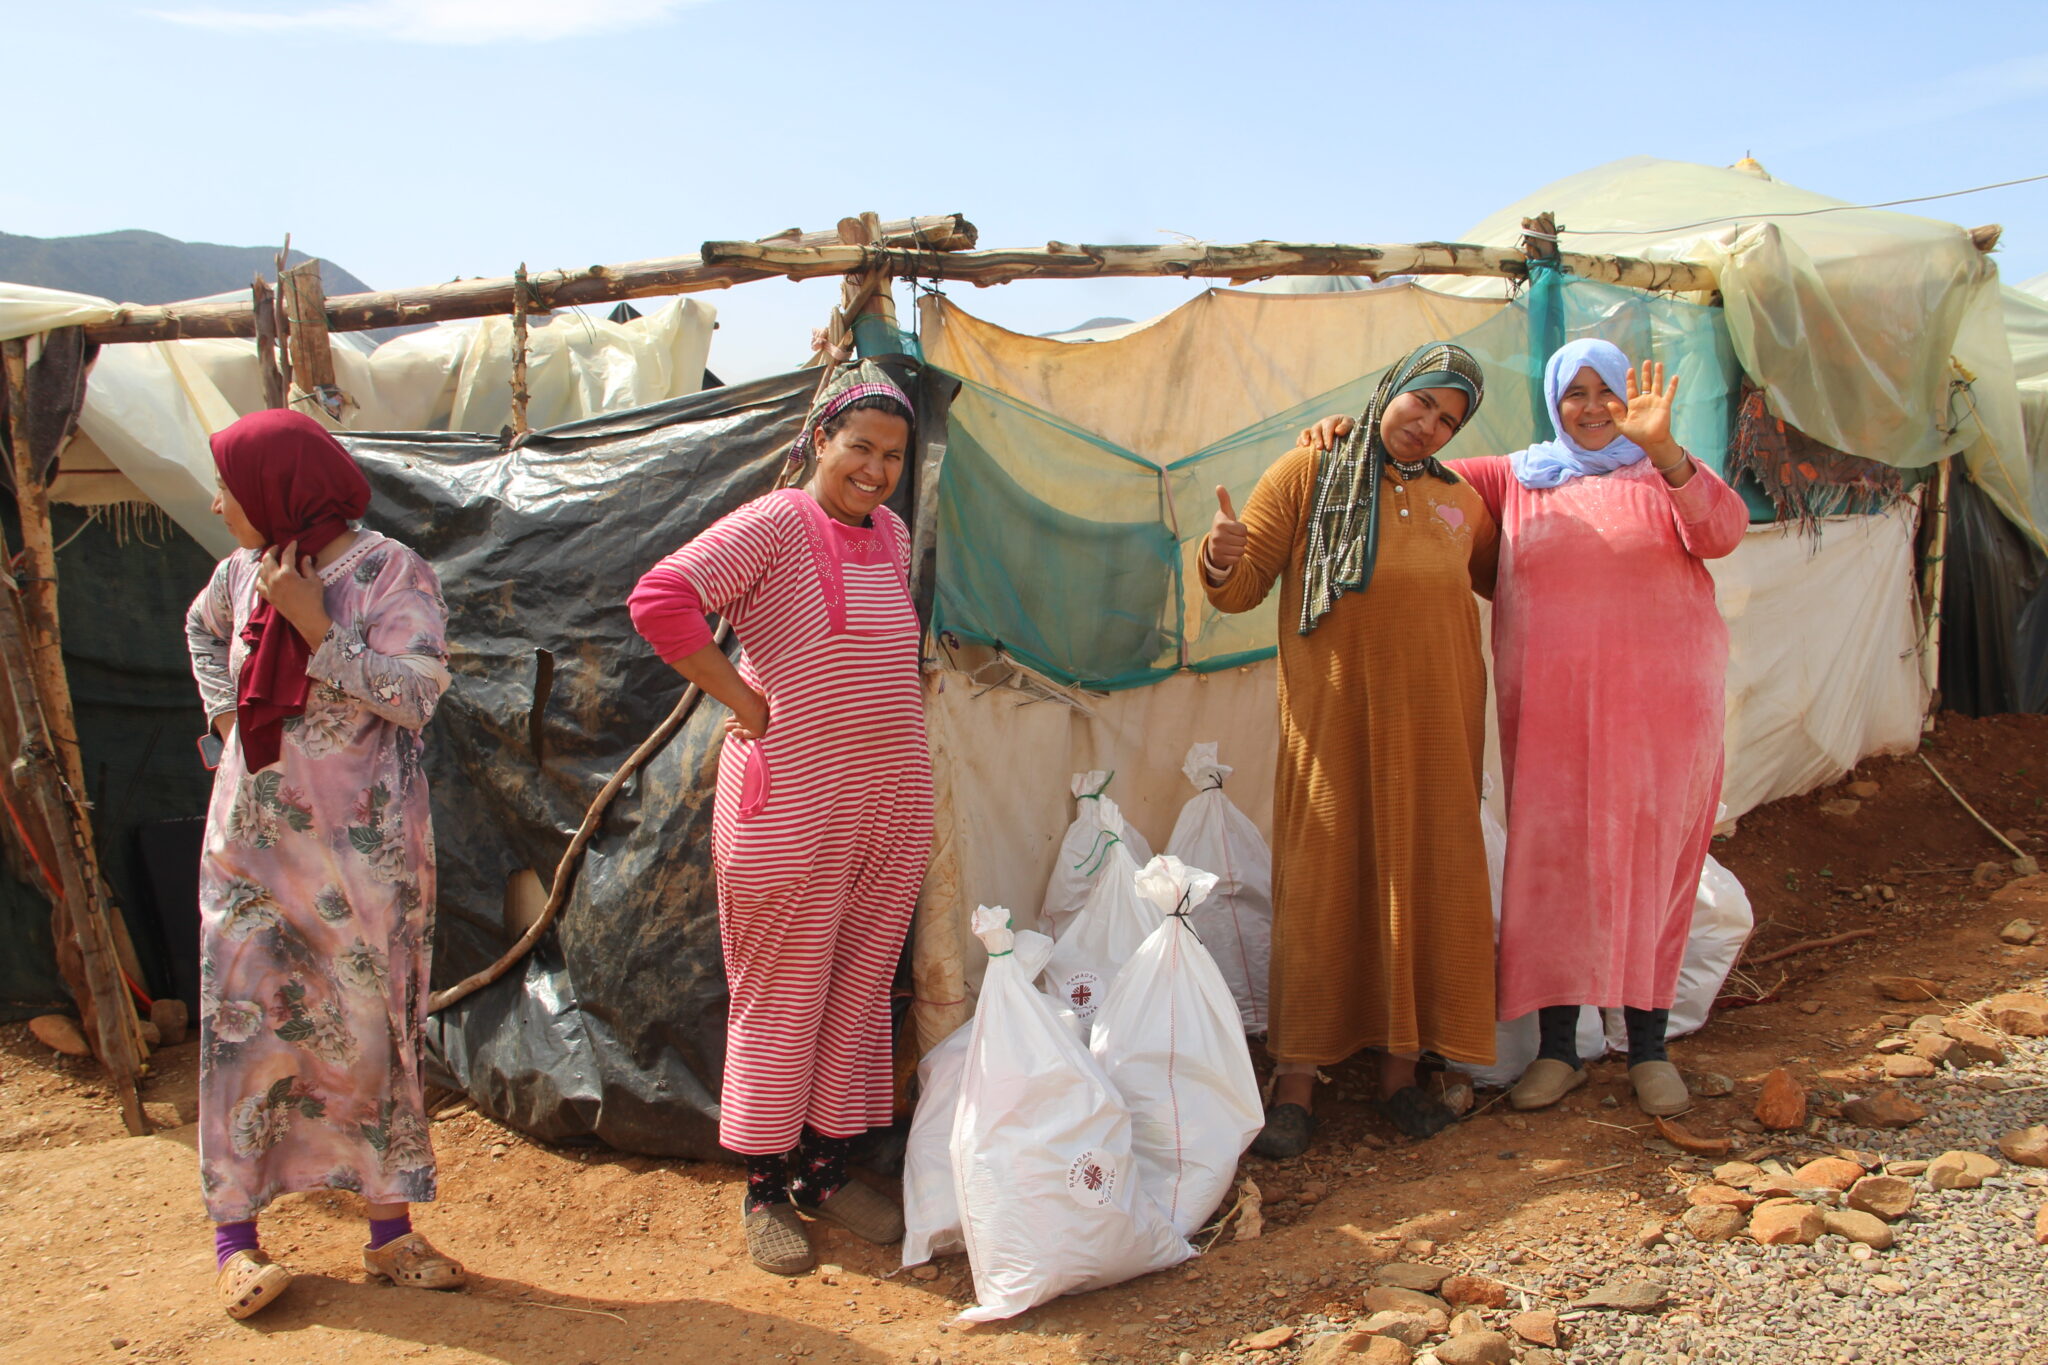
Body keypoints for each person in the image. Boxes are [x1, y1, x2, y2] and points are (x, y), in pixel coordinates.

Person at [1303, 337, 1747, 1117]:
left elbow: (1723, 534)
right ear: (1553, 400)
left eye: (1606, 390)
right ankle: (1558, 1051)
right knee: (1553, 870)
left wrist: (1667, 450)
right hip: (1552, 717)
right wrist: (1344, 432)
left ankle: (1648, 1050)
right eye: (1574, 392)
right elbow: (1411, 470)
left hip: (1663, 718)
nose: (1592, 407)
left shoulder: (1663, 474)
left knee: (1651, 870)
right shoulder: (1515, 477)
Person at [628, 360, 933, 1274]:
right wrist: (746, 701)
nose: (875, 470)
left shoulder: (889, 532)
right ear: (820, 440)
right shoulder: (774, 522)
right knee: (783, 990)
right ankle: (764, 1186)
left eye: (893, 455)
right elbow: (660, 599)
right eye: (859, 447)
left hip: (886, 799)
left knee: (858, 986)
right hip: (792, 799)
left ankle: (825, 1171)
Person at [185, 409, 461, 1320]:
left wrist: (315, 629)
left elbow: (416, 694)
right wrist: (225, 718)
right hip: (251, 853)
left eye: (227, 486)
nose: (218, 503)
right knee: (244, 1036)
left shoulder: (388, 571)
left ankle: (389, 1232)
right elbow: (202, 630)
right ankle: (236, 1245)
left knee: (370, 1032)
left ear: (281, 487)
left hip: (359, 863)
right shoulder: (242, 571)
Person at [1202, 341, 1500, 1158]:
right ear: (1390, 389)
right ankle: (1297, 1081)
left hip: (1438, 733)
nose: (1429, 425)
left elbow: (1503, 576)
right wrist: (1220, 555)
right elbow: (1244, 585)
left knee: (1423, 884)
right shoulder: (1309, 470)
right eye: (1421, 401)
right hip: (1333, 727)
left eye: (1449, 419)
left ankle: (1400, 1074)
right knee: (1322, 885)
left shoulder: (1463, 501)